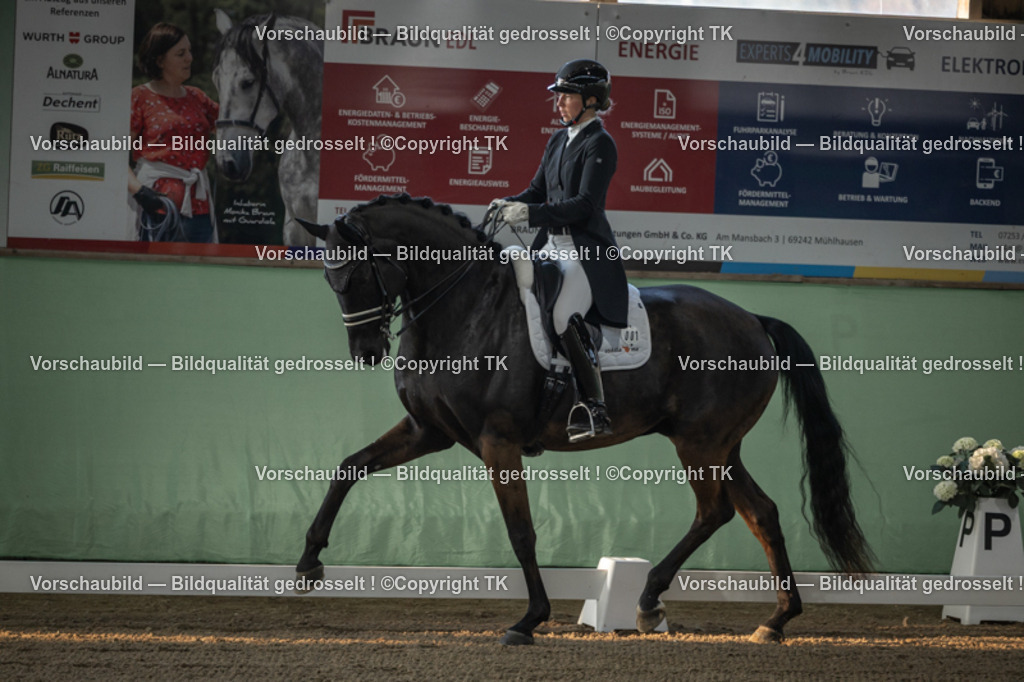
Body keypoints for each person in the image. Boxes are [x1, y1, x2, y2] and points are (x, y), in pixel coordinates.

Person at [494, 59, 629, 443]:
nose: (559, 103)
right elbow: (537, 191)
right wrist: (510, 203)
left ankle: (594, 407)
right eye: (559, 96)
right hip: (550, 246)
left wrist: (530, 213)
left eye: (566, 96)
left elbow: (585, 205)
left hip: (583, 253)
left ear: (591, 100)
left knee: (563, 317)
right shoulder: (558, 139)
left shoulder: (600, 143)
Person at [128, 22, 219, 242]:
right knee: (156, 264)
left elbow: (233, 129)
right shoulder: (140, 97)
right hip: (156, 206)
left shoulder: (198, 97)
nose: (190, 58)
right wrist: (140, 192)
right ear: (160, 60)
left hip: (199, 209)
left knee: (201, 264)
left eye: (189, 51)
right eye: (181, 53)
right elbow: (114, 154)